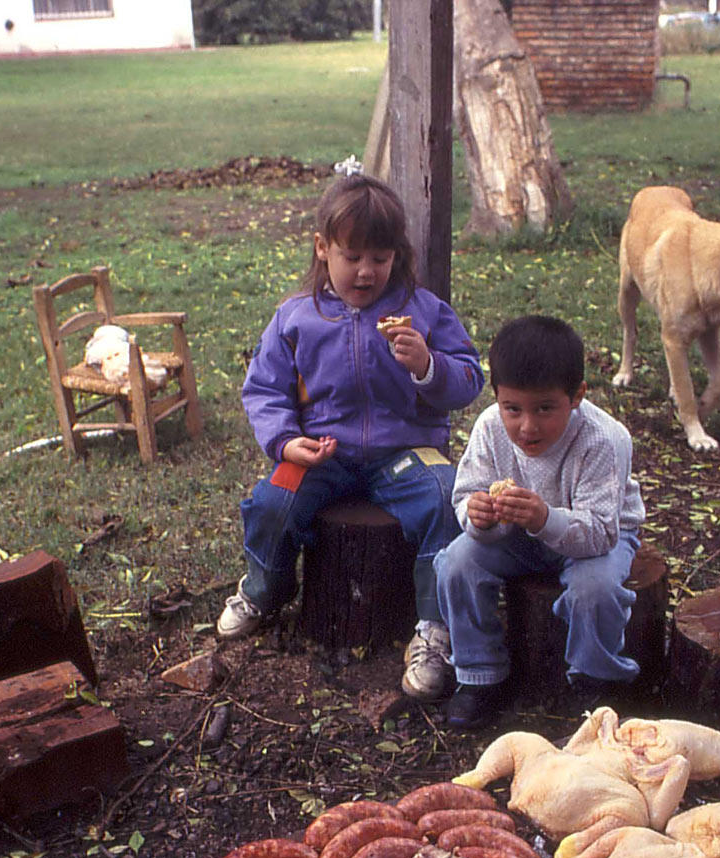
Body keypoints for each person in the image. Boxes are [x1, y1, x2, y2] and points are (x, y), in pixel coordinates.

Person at [220, 174, 485, 701]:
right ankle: (263, 589)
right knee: (274, 499)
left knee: (446, 497)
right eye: (352, 256)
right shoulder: (297, 316)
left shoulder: (424, 310)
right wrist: (286, 442)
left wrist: (428, 365)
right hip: (325, 453)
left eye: (380, 258)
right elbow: (264, 389)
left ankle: (434, 629)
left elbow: (469, 378)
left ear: (397, 255)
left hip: (407, 450)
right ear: (323, 248)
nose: (366, 271)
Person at [433, 315, 646, 729]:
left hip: (596, 538)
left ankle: (596, 679)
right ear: (497, 397)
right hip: (518, 535)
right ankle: (479, 674)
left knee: (595, 589)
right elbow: (466, 494)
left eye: (545, 409)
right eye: (513, 409)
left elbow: (602, 531)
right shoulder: (490, 428)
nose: (527, 427)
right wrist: (478, 517)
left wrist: (545, 518)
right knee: (456, 563)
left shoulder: (604, 439)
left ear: (577, 395)